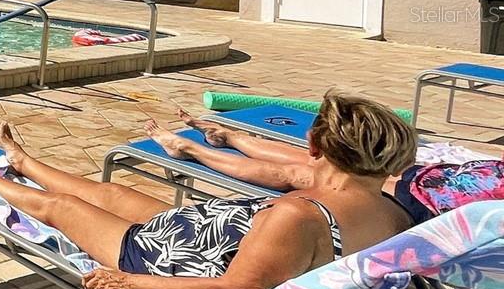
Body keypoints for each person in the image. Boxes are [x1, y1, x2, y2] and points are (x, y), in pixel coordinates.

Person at [0, 91, 419, 289]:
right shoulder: (391, 209)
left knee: (63, 209)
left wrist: (129, 281)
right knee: (113, 194)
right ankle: (24, 162)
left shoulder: (300, 215)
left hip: (178, 263)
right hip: (218, 236)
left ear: (314, 147)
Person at [147, 108, 503, 222]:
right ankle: (229, 137)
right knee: (319, 158)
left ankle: (190, 149)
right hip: (432, 179)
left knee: (300, 174)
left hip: (423, 203)